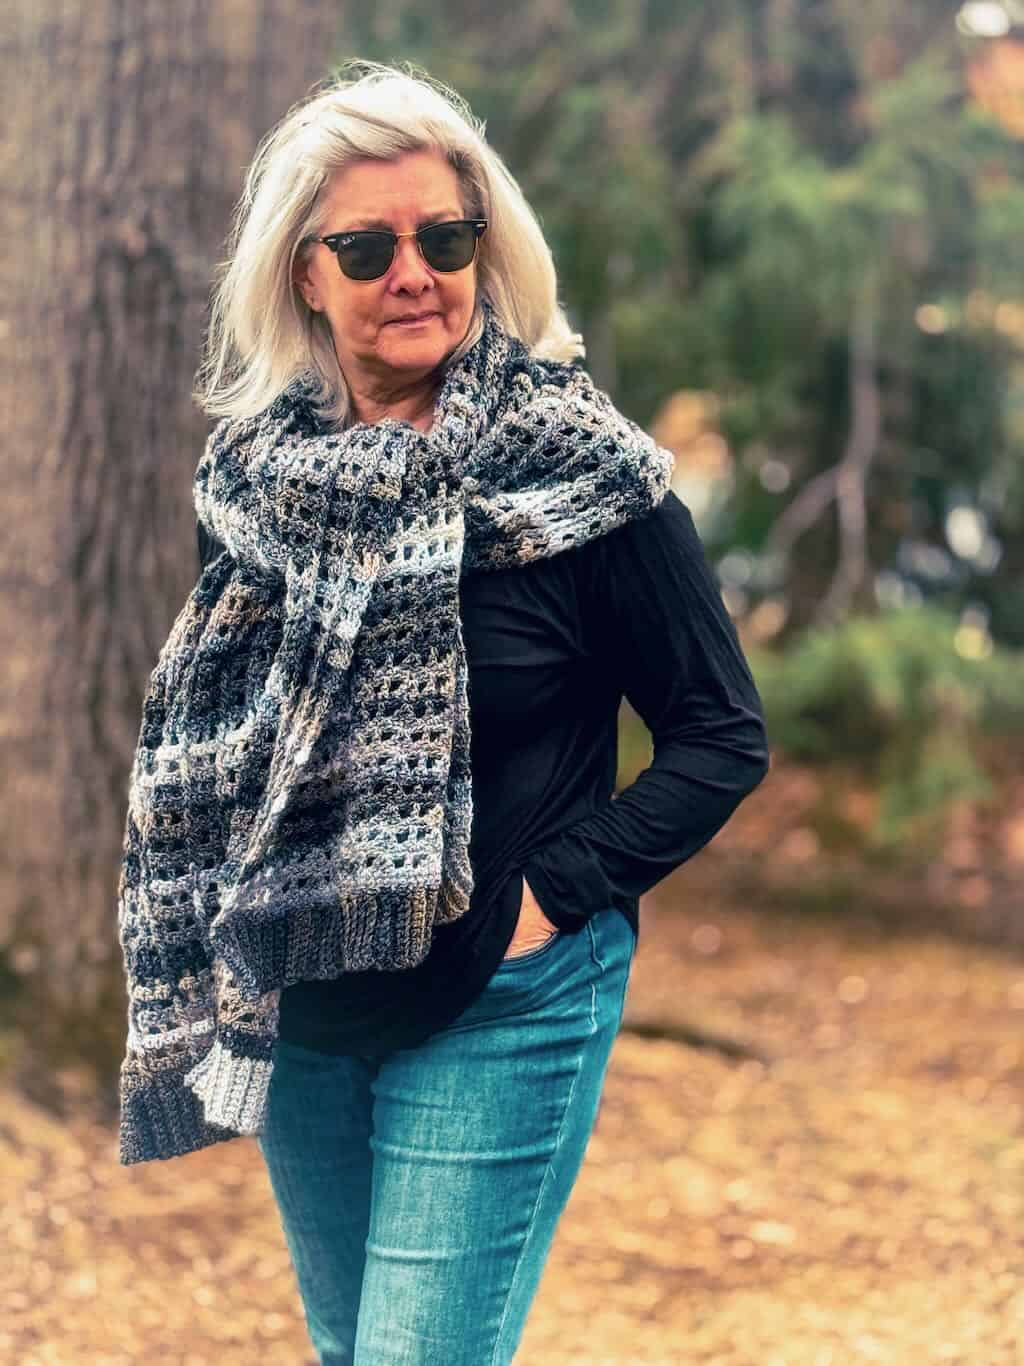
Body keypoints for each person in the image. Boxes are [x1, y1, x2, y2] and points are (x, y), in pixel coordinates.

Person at [116, 60, 770, 1365]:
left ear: (487, 246)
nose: (412, 270)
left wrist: (548, 896)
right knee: (352, 1347)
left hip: (504, 997)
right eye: (366, 246)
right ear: (305, 274)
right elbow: (244, 728)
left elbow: (719, 730)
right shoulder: (251, 484)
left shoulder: (587, 476)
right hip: (304, 1004)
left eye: (444, 236)